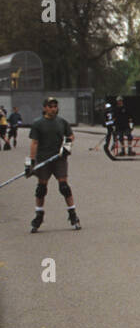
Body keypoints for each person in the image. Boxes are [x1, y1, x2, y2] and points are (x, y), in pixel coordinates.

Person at [26, 97, 79, 232]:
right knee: (41, 189)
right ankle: (39, 216)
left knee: (64, 187)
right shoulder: (38, 123)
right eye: (50, 106)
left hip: (59, 159)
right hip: (43, 160)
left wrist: (67, 146)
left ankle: (73, 215)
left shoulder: (62, 122)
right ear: (45, 108)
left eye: (55, 106)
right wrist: (30, 162)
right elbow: (34, 143)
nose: (53, 108)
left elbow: (71, 136)